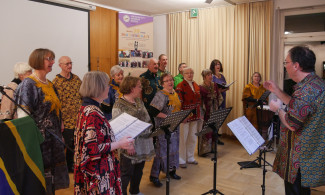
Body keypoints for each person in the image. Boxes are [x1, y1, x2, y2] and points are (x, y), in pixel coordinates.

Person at [264, 46, 325, 195]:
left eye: (286, 62)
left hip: (299, 157)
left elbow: (292, 124)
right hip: (311, 154)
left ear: (296, 66)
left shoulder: (305, 92)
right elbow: (297, 106)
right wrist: (277, 90)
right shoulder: (315, 83)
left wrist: (277, 109)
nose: (285, 66)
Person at [15, 48, 69, 193]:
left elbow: (56, 111)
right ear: (38, 60)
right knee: (40, 180)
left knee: (51, 179)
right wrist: (31, 141)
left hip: (54, 138)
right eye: (49, 59)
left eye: (53, 58)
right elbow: (23, 115)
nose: (52, 62)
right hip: (39, 140)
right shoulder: (28, 84)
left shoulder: (50, 84)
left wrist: (60, 133)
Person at [74, 71, 134, 195]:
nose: (109, 87)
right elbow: (93, 148)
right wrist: (120, 144)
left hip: (94, 169)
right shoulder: (93, 112)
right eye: (106, 84)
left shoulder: (86, 107)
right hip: (99, 171)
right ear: (98, 87)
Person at [112, 76, 155, 195]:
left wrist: (149, 131)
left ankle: (135, 191)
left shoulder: (138, 101)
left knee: (139, 169)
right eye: (139, 86)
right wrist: (129, 145)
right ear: (131, 88)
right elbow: (118, 129)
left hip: (142, 142)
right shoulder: (119, 105)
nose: (141, 89)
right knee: (126, 172)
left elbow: (146, 118)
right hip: (129, 145)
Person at [148, 73, 182, 187]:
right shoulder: (160, 94)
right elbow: (152, 111)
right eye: (167, 80)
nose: (170, 82)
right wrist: (167, 117)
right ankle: (154, 176)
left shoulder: (174, 93)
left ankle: (171, 171)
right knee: (161, 152)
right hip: (163, 128)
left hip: (175, 126)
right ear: (162, 84)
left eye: (171, 80)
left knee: (174, 149)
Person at [52, 56, 82, 173]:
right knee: (66, 144)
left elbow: (82, 94)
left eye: (70, 63)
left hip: (78, 118)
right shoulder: (56, 82)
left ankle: (72, 165)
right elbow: (56, 104)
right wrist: (61, 122)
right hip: (65, 120)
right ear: (60, 65)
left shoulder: (76, 79)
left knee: (76, 143)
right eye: (66, 64)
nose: (69, 66)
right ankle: (61, 168)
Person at [175, 67, 201, 168]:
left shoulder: (196, 85)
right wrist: (182, 116)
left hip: (195, 115)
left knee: (193, 137)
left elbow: (199, 101)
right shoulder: (180, 86)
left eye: (191, 73)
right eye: (187, 73)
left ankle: (190, 157)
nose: (190, 75)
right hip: (185, 117)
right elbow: (179, 103)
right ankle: (181, 159)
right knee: (183, 138)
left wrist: (199, 114)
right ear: (183, 74)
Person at [198, 69, 223, 156]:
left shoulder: (214, 85)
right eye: (208, 75)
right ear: (204, 77)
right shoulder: (200, 87)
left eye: (211, 74)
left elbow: (219, 97)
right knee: (206, 131)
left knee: (214, 130)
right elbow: (199, 102)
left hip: (215, 112)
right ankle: (204, 151)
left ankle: (213, 148)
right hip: (206, 113)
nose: (210, 76)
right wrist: (202, 113)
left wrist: (216, 106)